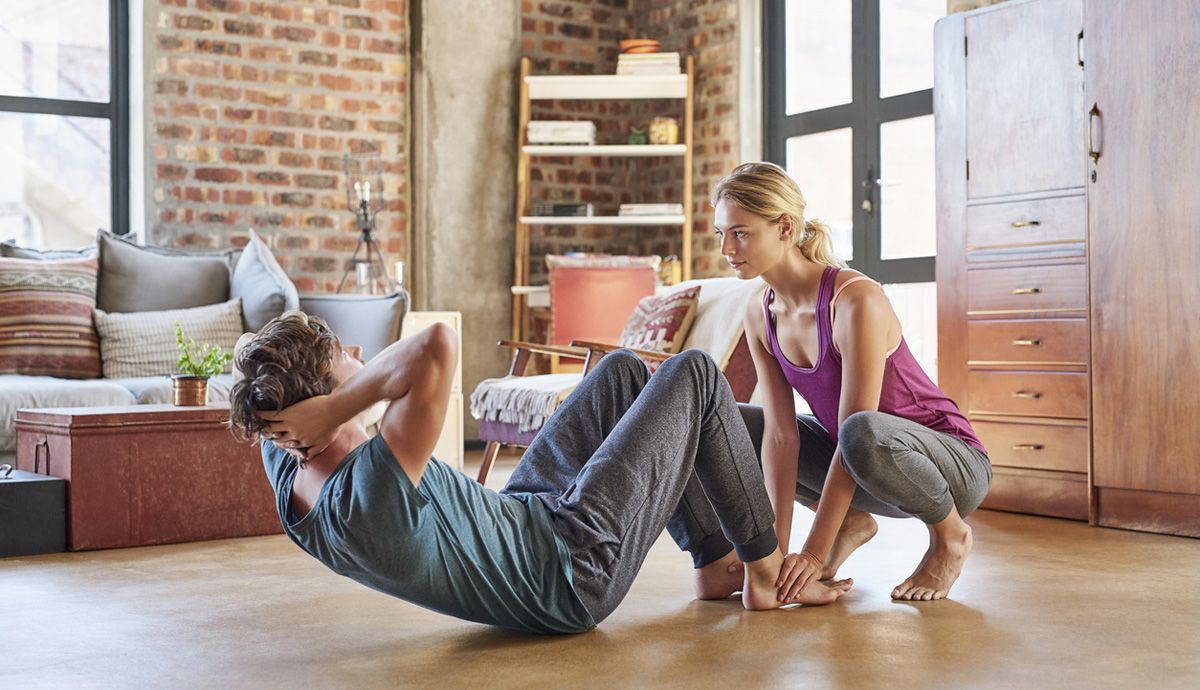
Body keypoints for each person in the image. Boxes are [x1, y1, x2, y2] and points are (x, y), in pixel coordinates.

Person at [228, 311, 851, 635]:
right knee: (693, 374)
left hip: (524, 519)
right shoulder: (370, 491)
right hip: (571, 571)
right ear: (316, 406)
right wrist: (340, 404)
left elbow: (264, 389)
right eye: (344, 359)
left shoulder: (285, 467)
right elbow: (435, 344)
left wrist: (320, 401)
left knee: (623, 374)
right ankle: (765, 574)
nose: (360, 360)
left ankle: (714, 561)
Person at [708, 162, 991, 602]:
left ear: (784, 228)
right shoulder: (759, 313)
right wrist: (773, 560)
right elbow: (782, 439)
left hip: (950, 468)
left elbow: (854, 429)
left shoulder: (855, 300)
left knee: (860, 428)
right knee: (737, 423)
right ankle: (851, 520)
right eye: (720, 233)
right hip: (865, 465)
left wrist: (814, 556)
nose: (726, 248)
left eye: (740, 232)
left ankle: (950, 537)